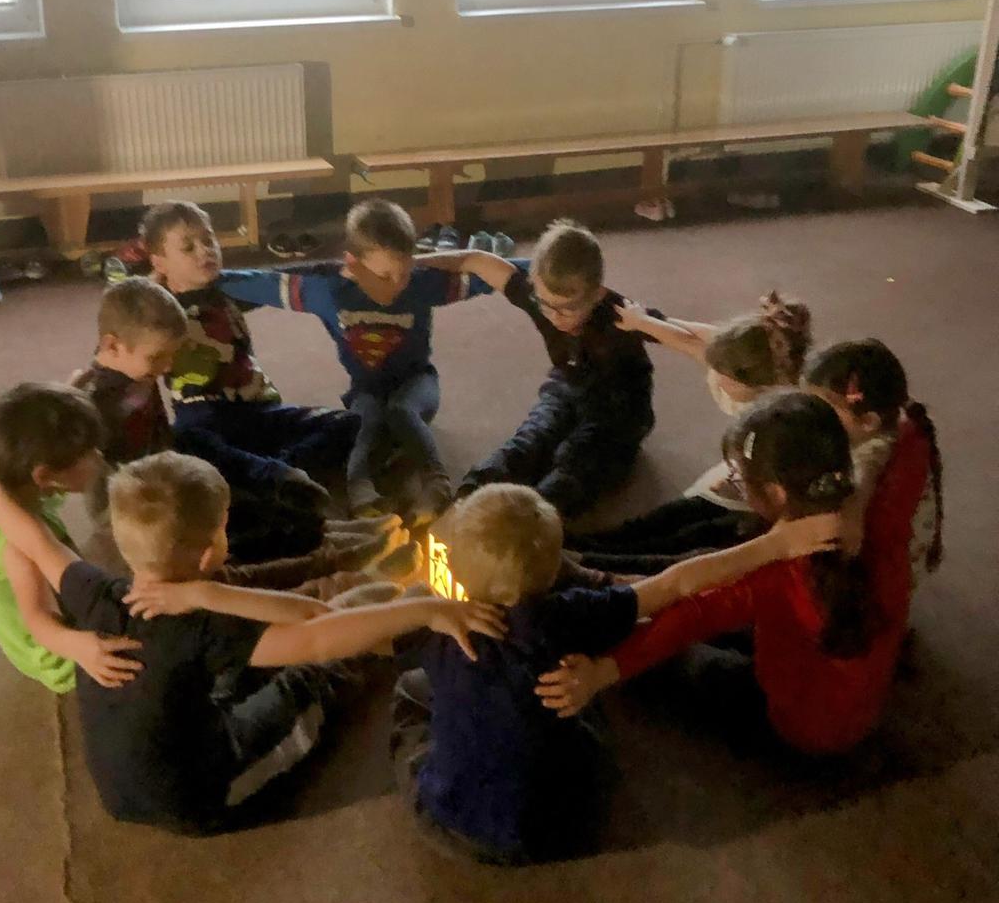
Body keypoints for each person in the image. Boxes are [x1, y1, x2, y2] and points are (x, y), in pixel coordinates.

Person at [0, 450, 502, 831]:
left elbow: (32, 537)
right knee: (313, 676)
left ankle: (372, 607)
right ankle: (366, 643)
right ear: (210, 551)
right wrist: (429, 608)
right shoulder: (207, 626)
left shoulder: (96, 590)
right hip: (201, 798)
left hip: (120, 786)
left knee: (236, 668)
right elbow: (320, 634)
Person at [392, 482, 838, 865]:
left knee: (411, 691)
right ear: (554, 571)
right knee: (577, 697)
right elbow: (674, 584)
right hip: (565, 827)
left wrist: (416, 608)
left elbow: (373, 632)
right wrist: (774, 546)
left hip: (458, 829)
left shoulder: (430, 625)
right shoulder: (569, 616)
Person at [536, 390, 933, 757]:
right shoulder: (883, 519)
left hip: (799, 730)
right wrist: (857, 499)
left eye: (741, 480)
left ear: (776, 493)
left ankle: (595, 580)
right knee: (721, 558)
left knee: (682, 660)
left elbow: (690, 615)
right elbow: (909, 425)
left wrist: (601, 673)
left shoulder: (778, 574)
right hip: (841, 687)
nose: (735, 484)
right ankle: (596, 572)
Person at [218, 198, 492, 526]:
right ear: (353, 263)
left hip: (418, 381)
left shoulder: (422, 284)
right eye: (384, 275)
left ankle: (436, 483)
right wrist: (199, 281)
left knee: (401, 411)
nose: (397, 284)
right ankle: (359, 486)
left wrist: (535, 270)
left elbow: (493, 276)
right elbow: (259, 283)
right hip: (365, 388)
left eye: (404, 272)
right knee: (361, 421)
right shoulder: (327, 292)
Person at [140, 199, 361, 560]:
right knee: (185, 443)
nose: (204, 251)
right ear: (160, 262)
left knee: (349, 423)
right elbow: (122, 347)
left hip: (261, 412)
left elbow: (287, 278)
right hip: (206, 420)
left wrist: (344, 268)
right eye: (188, 247)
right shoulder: (155, 309)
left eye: (208, 240)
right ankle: (271, 475)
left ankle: (278, 470)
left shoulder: (230, 288)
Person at [429, 219, 659, 522]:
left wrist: (644, 322)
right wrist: (411, 263)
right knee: (530, 440)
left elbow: (690, 336)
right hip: (567, 384)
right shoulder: (532, 293)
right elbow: (475, 260)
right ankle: (466, 499)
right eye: (546, 304)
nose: (555, 316)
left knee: (576, 464)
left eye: (568, 308)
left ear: (598, 293)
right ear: (534, 283)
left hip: (619, 408)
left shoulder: (621, 314)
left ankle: (530, 522)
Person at [567, 290, 812, 566]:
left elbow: (692, 345)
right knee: (663, 519)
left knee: (687, 537)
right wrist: (644, 321)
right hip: (743, 471)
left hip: (760, 497)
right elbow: (700, 337)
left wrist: (644, 323)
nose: (715, 374)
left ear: (758, 385)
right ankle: (588, 547)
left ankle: (593, 560)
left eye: (723, 373)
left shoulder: (775, 422)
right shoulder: (758, 367)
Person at [0, 383, 142, 693]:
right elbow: (38, 619)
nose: (98, 457)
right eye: (87, 454)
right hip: (60, 651)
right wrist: (79, 647)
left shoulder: (9, 486)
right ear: (45, 476)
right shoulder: (16, 547)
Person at [804, 337, 942, 576]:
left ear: (868, 421)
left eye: (819, 409)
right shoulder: (894, 426)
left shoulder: (881, 467)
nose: (808, 416)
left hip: (888, 574)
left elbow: (864, 473)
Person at [73, 276, 187, 467]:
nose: (168, 367)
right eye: (156, 357)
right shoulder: (93, 403)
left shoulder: (136, 369)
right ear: (112, 346)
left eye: (172, 355)